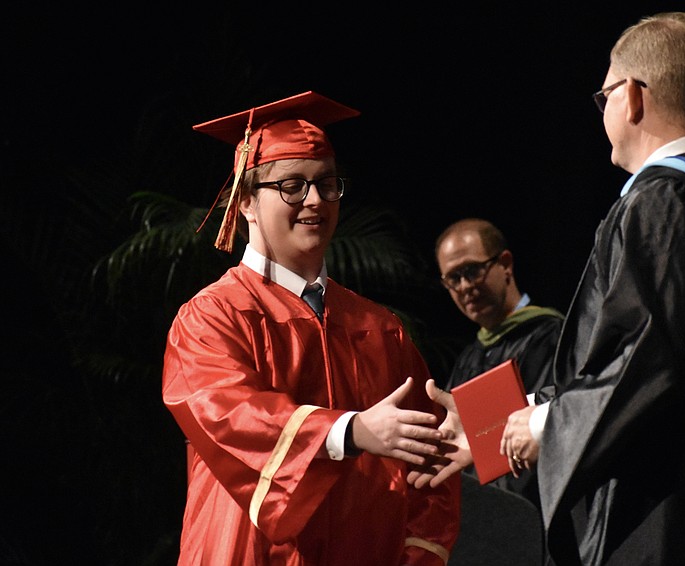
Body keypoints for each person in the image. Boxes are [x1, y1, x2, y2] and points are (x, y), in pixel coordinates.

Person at [411, 12, 685, 565]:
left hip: (682, 521)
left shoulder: (664, 203)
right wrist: (485, 429)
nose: (604, 110)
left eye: (605, 94)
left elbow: (652, 359)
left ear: (634, 97)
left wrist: (542, 423)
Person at [162, 91, 461, 565]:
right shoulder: (212, 318)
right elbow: (230, 416)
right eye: (292, 186)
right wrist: (350, 430)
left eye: (326, 183)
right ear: (245, 203)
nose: (315, 200)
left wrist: (416, 555)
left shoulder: (379, 327)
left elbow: (432, 468)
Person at [436, 218, 563, 565]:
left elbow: (559, 423)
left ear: (505, 264)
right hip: (482, 532)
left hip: (538, 526)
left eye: (472, 271)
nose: (464, 286)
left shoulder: (550, 338)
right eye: (452, 279)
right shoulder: (468, 358)